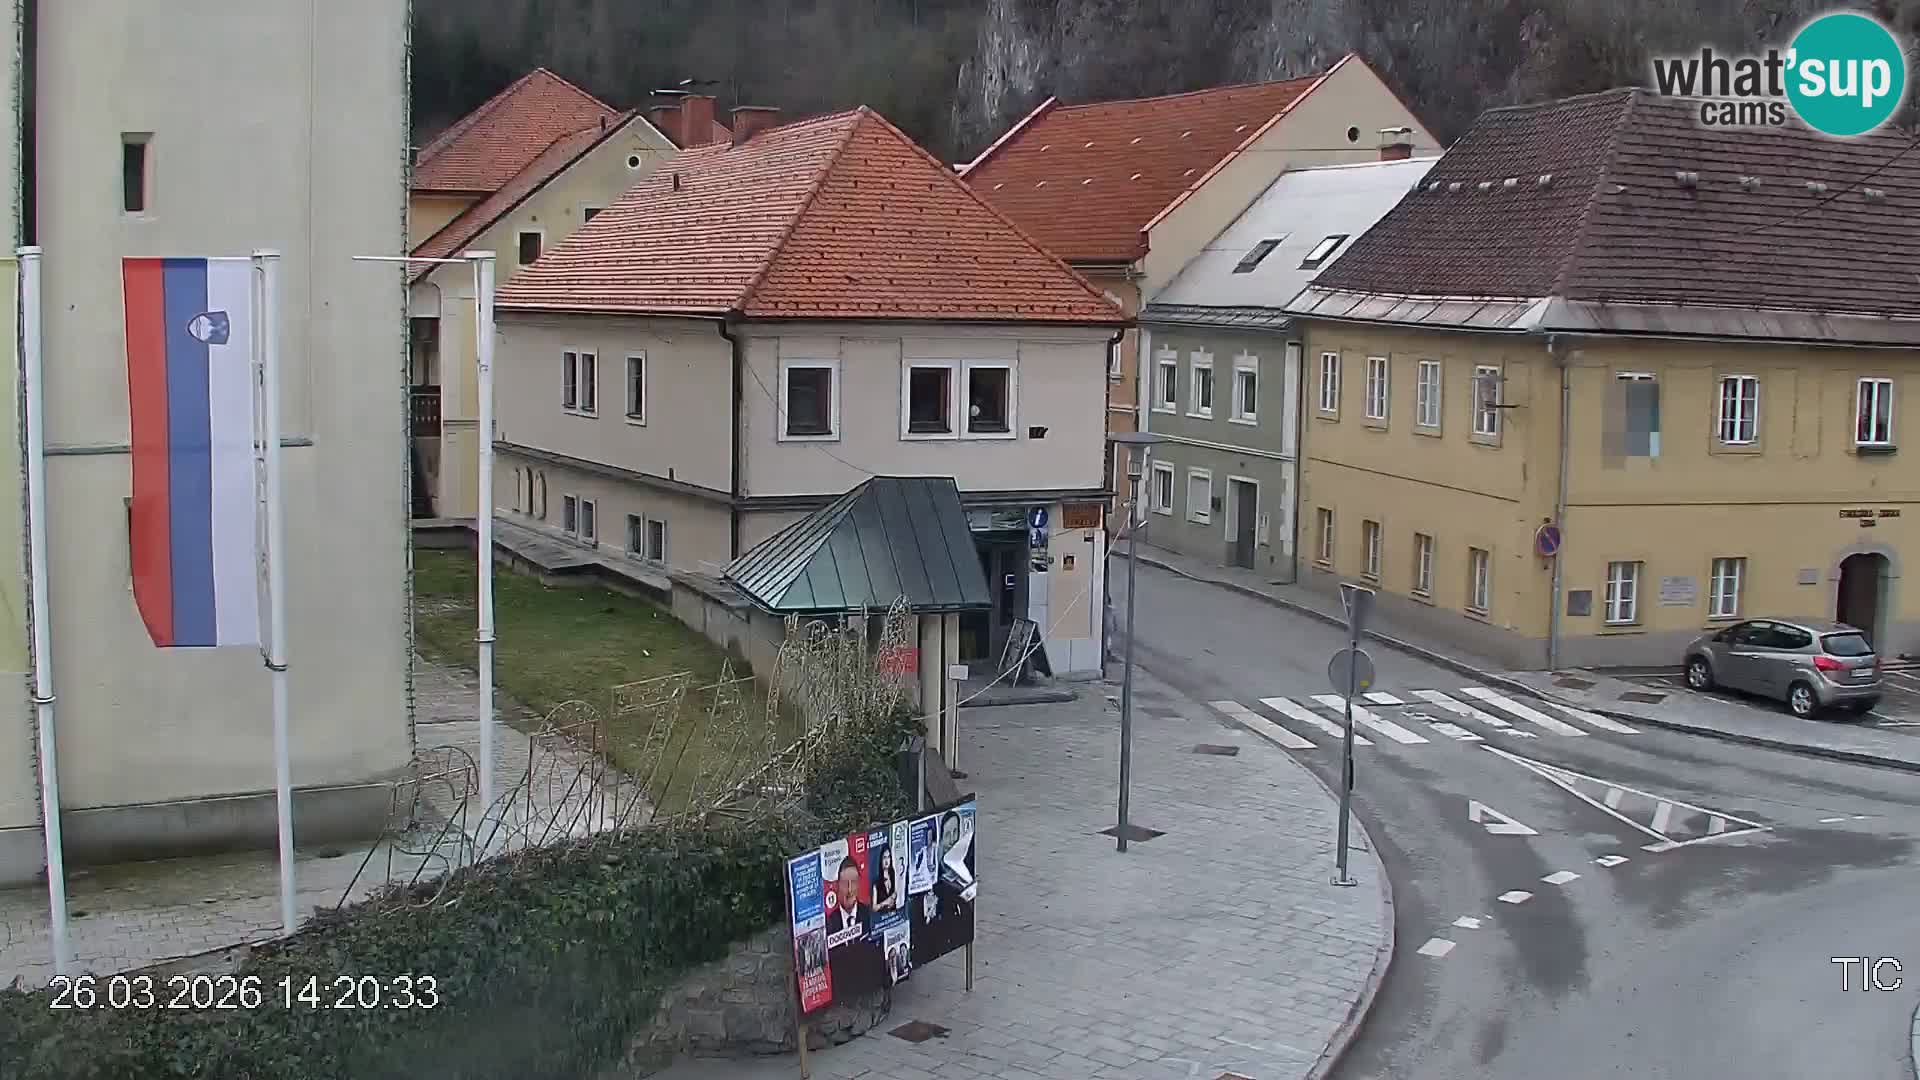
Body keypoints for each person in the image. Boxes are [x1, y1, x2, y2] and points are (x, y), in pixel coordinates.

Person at [826, 856, 870, 939]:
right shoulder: (829, 924)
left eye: (853, 882)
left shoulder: (869, 915)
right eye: (845, 883)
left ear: (858, 883)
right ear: (837, 886)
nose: (850, 890)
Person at [872, 846, 898, 912]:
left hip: (894, 914)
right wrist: (885, 902)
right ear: (881, 860)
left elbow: (895, 892)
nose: (887, 861)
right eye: (884, 857)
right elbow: (874, 908)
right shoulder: (877, 883)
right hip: (882, 916)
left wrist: (894, 897)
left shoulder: (893, 875)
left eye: (888, 857)